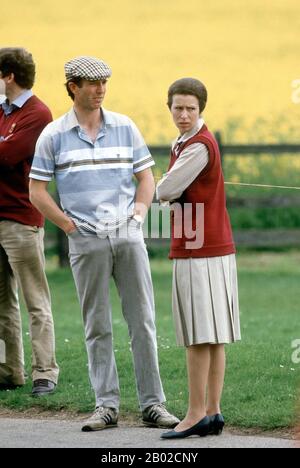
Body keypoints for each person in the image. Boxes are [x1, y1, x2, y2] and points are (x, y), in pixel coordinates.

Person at [29, 56, 179, 431]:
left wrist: (139, 216)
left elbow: (146, 178)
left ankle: (153, 405)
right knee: (96, 324)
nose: (99, 91)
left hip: (128, 235)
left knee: (142, 321)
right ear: (72, 87)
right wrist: (68, 227)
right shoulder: (53, 135)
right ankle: (106, 406)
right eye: (92, 84)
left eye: (104, 84)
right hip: (85, 240)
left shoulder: (125, 127)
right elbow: (36, 191)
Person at [156, 78, 241, 439]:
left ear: (201, 109)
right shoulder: (189, 143)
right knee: (211, 334)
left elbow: (166, 189)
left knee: (199, 335)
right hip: (211, 246)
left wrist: (163, 187)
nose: (184, 114)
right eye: (178, 107)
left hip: (199, 249)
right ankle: (212, 413)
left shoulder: (197, 146)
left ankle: (194, 415)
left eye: (191, 108)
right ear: (170, 107)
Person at [0, 47, 59, 396]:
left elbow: (7, 155)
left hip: (21, 219)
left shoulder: (38, 114)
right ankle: (10, 371)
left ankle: (45, 373)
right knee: (2, 301)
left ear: (8, 76)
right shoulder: (3, 112)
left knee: (35, 299)